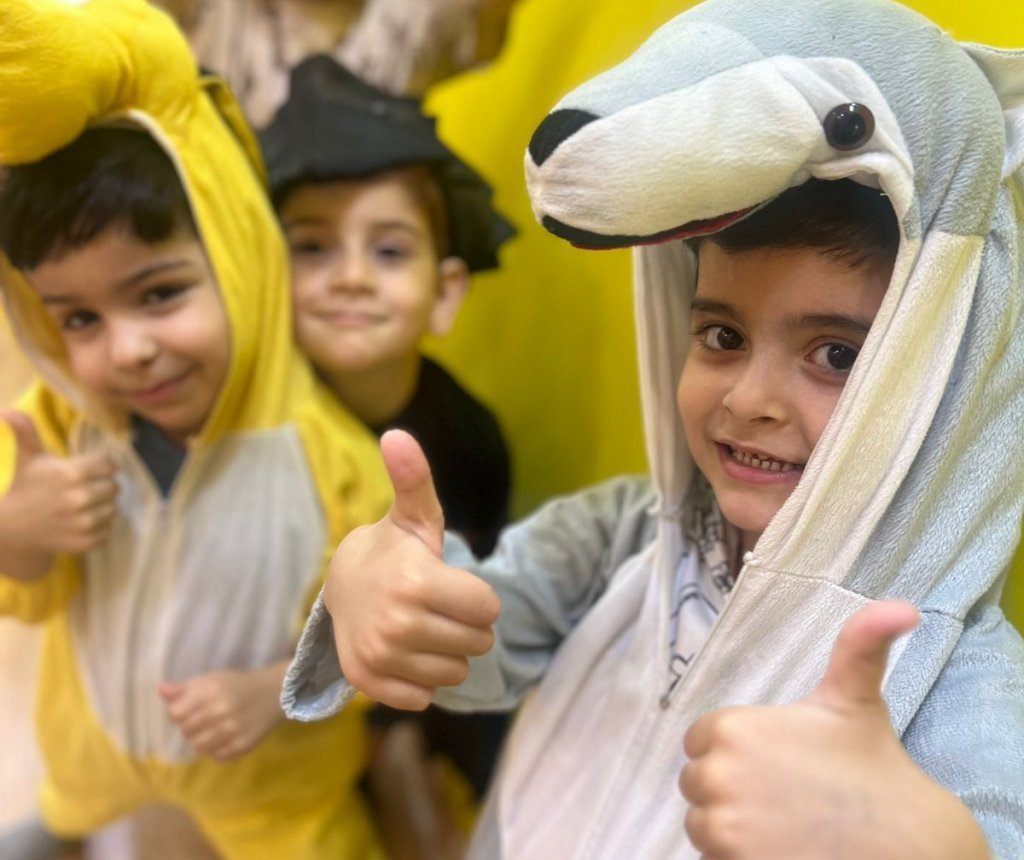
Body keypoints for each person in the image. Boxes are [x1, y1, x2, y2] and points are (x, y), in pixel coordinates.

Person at [281, 0, 1024, 857]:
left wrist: (925, 844)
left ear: (936, 376)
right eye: (723, 337)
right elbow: (474, 641)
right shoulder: (620, 535)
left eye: (836, 354)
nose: (749, 399)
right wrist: (385, 595)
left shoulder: (954, 673)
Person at [0, 1, 391, 858]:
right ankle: (65, 820)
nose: (128, 350)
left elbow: (377, 635)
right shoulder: (51, 428)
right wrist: (15, 531)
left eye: (159, 293)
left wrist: (275, 690)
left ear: (239, 259)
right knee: (68, 805)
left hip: (270, 784)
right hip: (92, 752)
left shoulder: (335, 462)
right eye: (78, 318)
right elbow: (26, 591)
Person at [262, 56, 514, 856]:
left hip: (394, 687)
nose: (350, 278)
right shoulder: (255, 423)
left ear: (445, 293)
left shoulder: (466, 442)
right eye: (312, 248)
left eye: (390, 252)